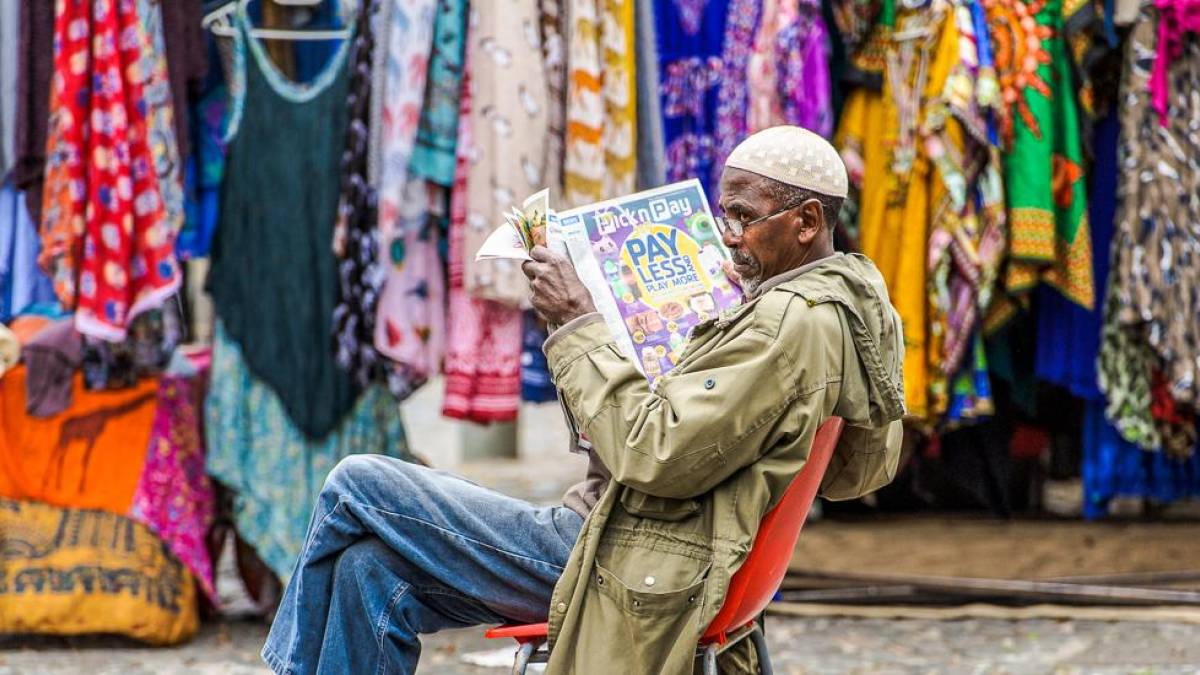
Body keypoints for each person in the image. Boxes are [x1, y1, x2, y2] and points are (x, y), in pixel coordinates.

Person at [261, 125, 905, 675]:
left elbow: (651, 454)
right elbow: (845, 464)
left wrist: (577, 323)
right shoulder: (835, 306)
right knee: (368, 571)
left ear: (807, 222)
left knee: (358, 483)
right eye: (722, 215)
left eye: (743, 216)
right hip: (648, 533)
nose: (729, 236)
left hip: (627, 548)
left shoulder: (788, 323)